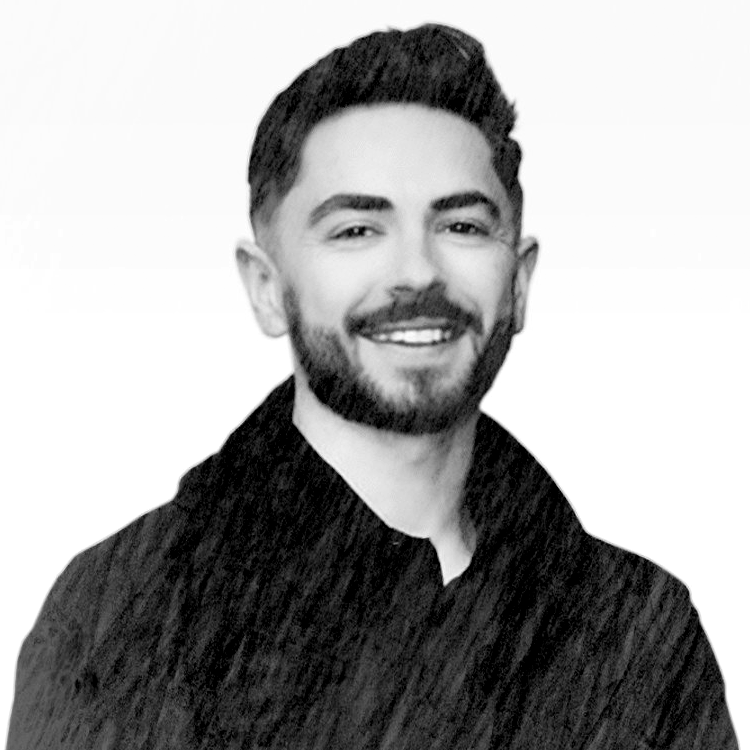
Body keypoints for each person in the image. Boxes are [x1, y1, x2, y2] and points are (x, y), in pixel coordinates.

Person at [6, 23, 738, 750]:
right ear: (266, 287)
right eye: (357, 229)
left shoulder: (639, 627)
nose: (417, 272)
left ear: (518, 283)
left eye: (461, 225)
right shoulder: (123, 617)